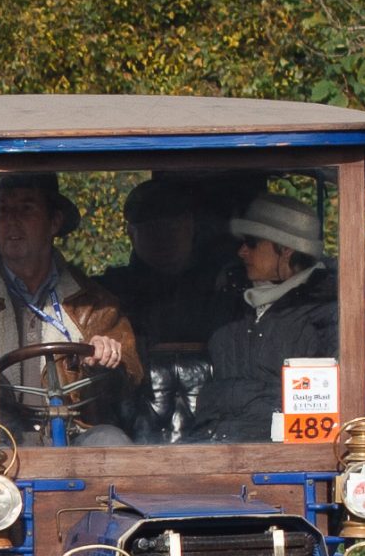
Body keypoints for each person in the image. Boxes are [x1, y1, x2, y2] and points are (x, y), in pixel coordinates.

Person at [0, 172, 143, 481]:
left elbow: (127, 375)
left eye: (26, 208)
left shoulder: (93, 301)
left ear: (54, 222)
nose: (12, 221)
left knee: (112, 443)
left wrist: (105, 359)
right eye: (3, 210)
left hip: (76, 435)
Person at [197, 191, 340, 442]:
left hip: (279, 457)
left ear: (285, 250)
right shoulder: (233, 304)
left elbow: (317, 403)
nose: (241, 252)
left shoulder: (328, 311)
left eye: (251, 243)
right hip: (214, 445)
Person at [98, 173, 230, 350]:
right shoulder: (111, 292)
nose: (162, 238)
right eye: (150, 230)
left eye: (171, 227)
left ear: (189, 225)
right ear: (131, 234)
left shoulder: (222, 284)